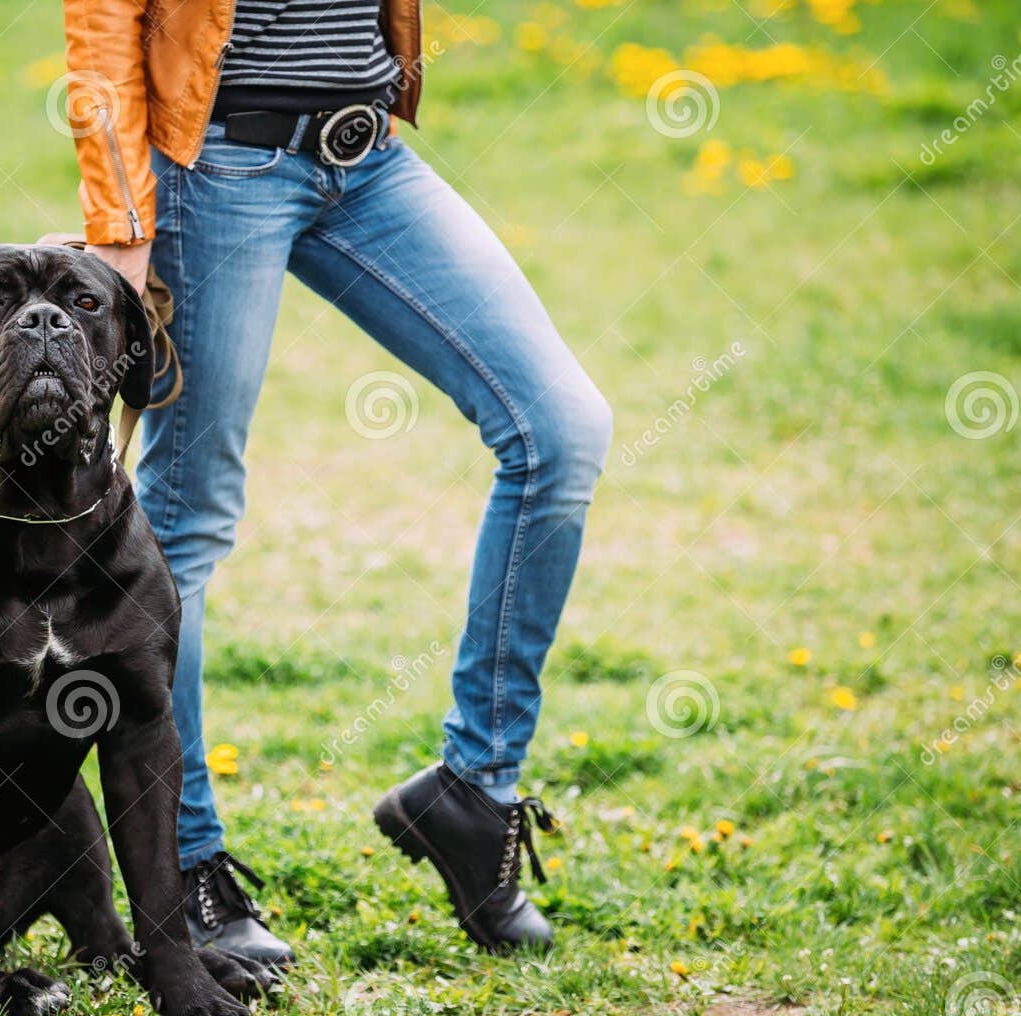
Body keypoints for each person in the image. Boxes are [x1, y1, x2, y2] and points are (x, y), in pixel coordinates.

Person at [62, 0, 612, 965]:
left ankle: (474, 791)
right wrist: (119, 214)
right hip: (218, 164)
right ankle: (182, 866)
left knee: (559, 430)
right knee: (184, 521)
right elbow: (105, 17)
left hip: (368, 155)